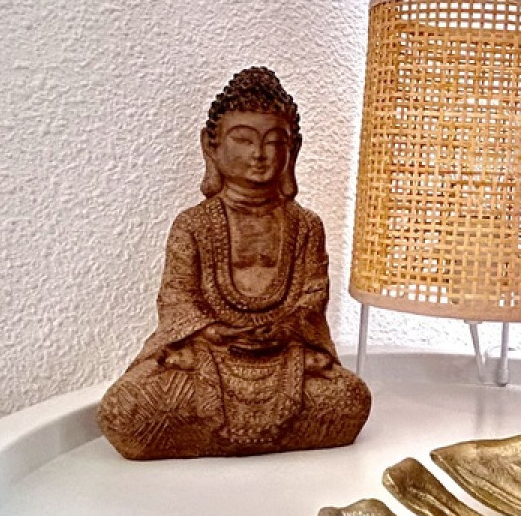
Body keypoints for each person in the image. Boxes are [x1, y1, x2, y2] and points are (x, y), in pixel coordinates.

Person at [98, 68, 371, 459]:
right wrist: (212, 332)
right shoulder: (193, 224)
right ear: (211, 147)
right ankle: (225, 434)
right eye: (243, 139)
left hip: (284, 357)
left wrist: (285, 328)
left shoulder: (305, 226)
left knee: (349, 399)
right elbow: (176, 299)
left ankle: (207, 437)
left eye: (273, 141)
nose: (259, 154)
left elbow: (312, 297)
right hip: (208, 356)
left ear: (292, 149)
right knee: (123, 412)